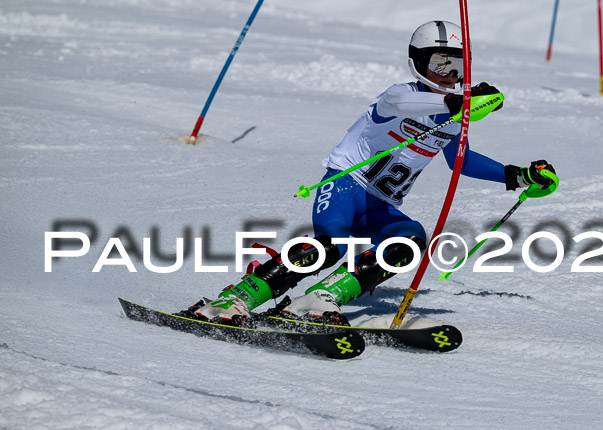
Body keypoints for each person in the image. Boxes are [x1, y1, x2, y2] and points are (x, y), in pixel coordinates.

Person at [187, 20, 556, 325]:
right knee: (329, 247)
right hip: (345, 186)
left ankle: (317, 301)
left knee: (408, 242)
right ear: (417, 63)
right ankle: (230, 301)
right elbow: (405, 104)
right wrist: (456, 102)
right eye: (439, 64)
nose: (449, 74)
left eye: (457, 66)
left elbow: (461, 161)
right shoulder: (400, 95)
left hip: (381, 205)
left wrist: (520, 176)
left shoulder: (454, 117)